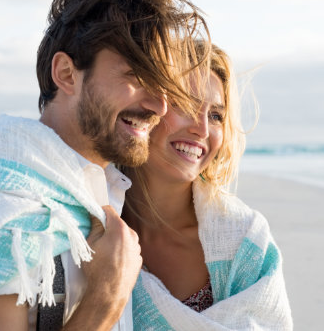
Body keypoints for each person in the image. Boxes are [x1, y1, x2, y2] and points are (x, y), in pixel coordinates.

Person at [0, 0, 210, 330]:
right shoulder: (11, 219)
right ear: (67, 74)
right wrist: (107, 298)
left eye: (163, 84)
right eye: (137, 75)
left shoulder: (97, 193)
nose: (159, 105)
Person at [121, 43, 293, 330]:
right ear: (146, 109)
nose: (201, 128)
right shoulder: (89, 228)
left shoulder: (244, 240)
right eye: (185, 104)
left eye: (216, 116)